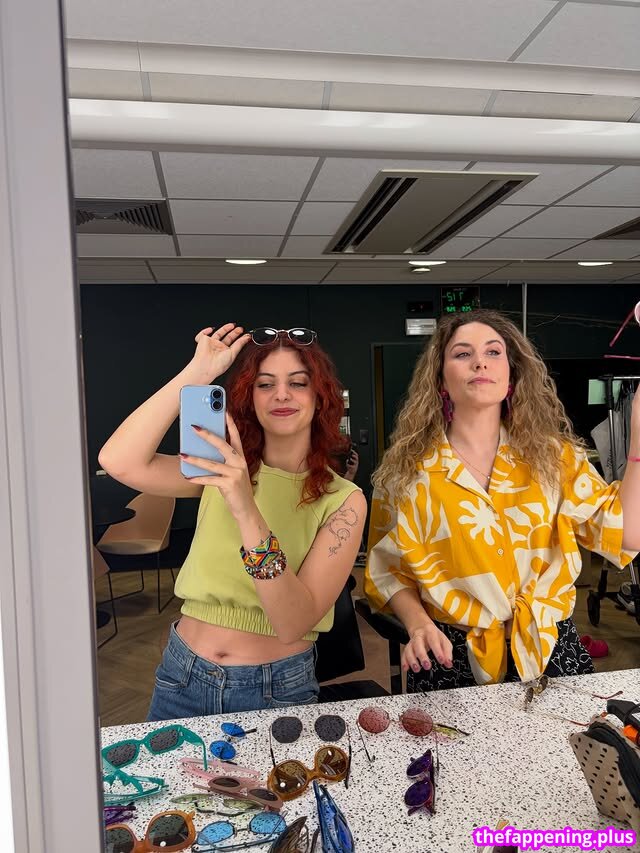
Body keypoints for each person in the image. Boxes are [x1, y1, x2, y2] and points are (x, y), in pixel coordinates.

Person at [99, 324, 366, 719]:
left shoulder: (344, 500)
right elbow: (118, 461)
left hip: (275, 688)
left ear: (320, 396)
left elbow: (292, 622)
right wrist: (197, 373)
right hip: (182, 673)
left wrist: (245, 505)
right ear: (249, 397)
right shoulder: (217, 469)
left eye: (297, 383)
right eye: (265, 384)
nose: (281, 394)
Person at [364, 309, 640, 692]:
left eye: (493, 352)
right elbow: (387, 570)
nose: (480, 361)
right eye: (463, 353)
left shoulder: (556, 459)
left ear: (512, 374)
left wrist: (638, 438)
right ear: (440, 378)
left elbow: (627, 534)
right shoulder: (406, 474)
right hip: (451, 655)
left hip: (550, 649)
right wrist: (419, 624)